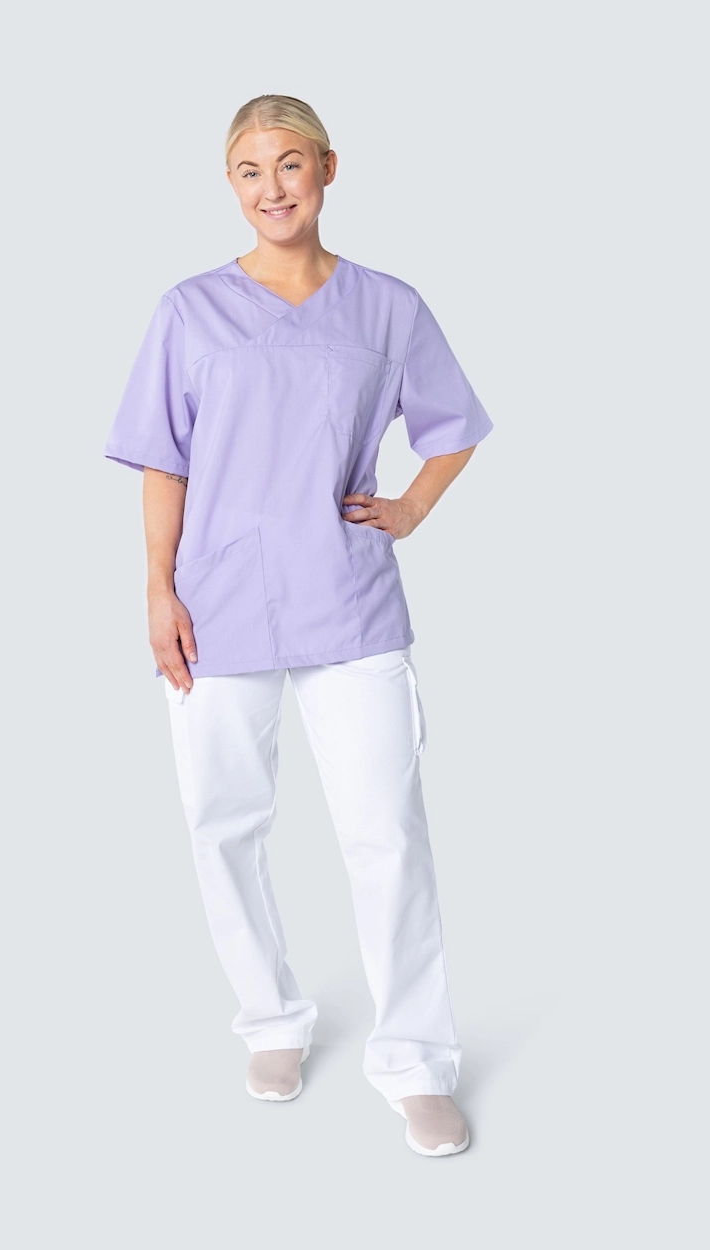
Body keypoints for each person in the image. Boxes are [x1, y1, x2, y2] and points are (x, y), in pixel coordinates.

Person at [103, 95, 493, 1157]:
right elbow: (163, 460)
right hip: (216, 600)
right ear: (229, 183)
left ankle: (415, 1059)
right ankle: (270, 1017)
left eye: (289, 163)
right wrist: (157, 590)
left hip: (346, 595)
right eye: (248, 169)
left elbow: (453, 426)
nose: (271, 187)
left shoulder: (387, 308)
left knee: (388, 834)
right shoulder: (189, 311)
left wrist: (410, 508)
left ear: (327, 167)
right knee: (222, 820)